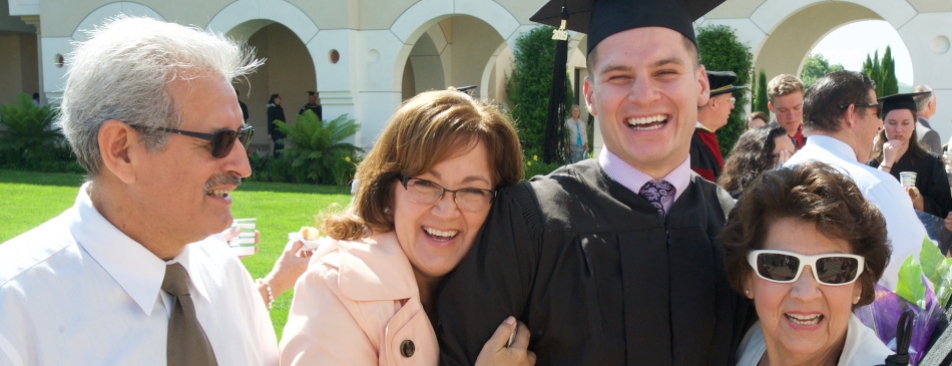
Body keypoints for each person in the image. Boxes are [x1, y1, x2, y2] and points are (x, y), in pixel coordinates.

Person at [436, 0, 750, 364]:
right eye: (619, 77)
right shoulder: (529, 221)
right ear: (590, 96)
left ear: (700, 85)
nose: (644, 95)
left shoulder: (737, 228)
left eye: (666, 72)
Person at [0, 16, 278, 365]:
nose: (244, 166)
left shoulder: (226, 275)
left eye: (242, 136)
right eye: (220, 141)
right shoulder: (13, 309)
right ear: (122, 150)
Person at [279, 89, 533, 365]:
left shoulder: (516, 286)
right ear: (387, 192)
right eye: (424, 183)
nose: (446, 210)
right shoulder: (335, 291)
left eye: (472, 190)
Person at [723, 162, 892, 366]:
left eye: (834, 268)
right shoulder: (742, 341)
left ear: (859, 285)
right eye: (781, 265)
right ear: (746, 277)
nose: (805, 294)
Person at [783, 70, 930, 290]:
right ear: (851, 113)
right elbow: (923, 276)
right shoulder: (875, 187)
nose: (880, 125)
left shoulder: (777, 176)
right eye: (875, 112)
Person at [869, 91, 952, 220]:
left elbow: (944, 212)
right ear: (883, 124)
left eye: (905, 123)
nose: (898, 129)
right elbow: (865, 204)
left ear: (914, 124)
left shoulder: (932, 164)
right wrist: (886, 164)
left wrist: (916, 198)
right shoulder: (871, 164)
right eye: (892, 123)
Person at [691, 70, 747, 181]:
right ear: (713, 103)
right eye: (730, 100)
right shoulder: (692, 142)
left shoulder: (702, 137)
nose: (732, 106)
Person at [718, 123, 795, 199]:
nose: (790, 160)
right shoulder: (737, 199)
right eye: (782, 155)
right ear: (760, 160)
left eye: (793, 154)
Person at [767, 74, 806, 150]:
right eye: (783, 110)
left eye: (797, 108)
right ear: (771, 107)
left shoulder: (816, 138)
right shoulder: (759, 142)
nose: (791, 116)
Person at [913, 85, 941, 154]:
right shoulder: (930, 135)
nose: (936, 103)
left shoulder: (906, 127)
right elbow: (935, 164)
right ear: (930, 105)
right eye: (935, 100)